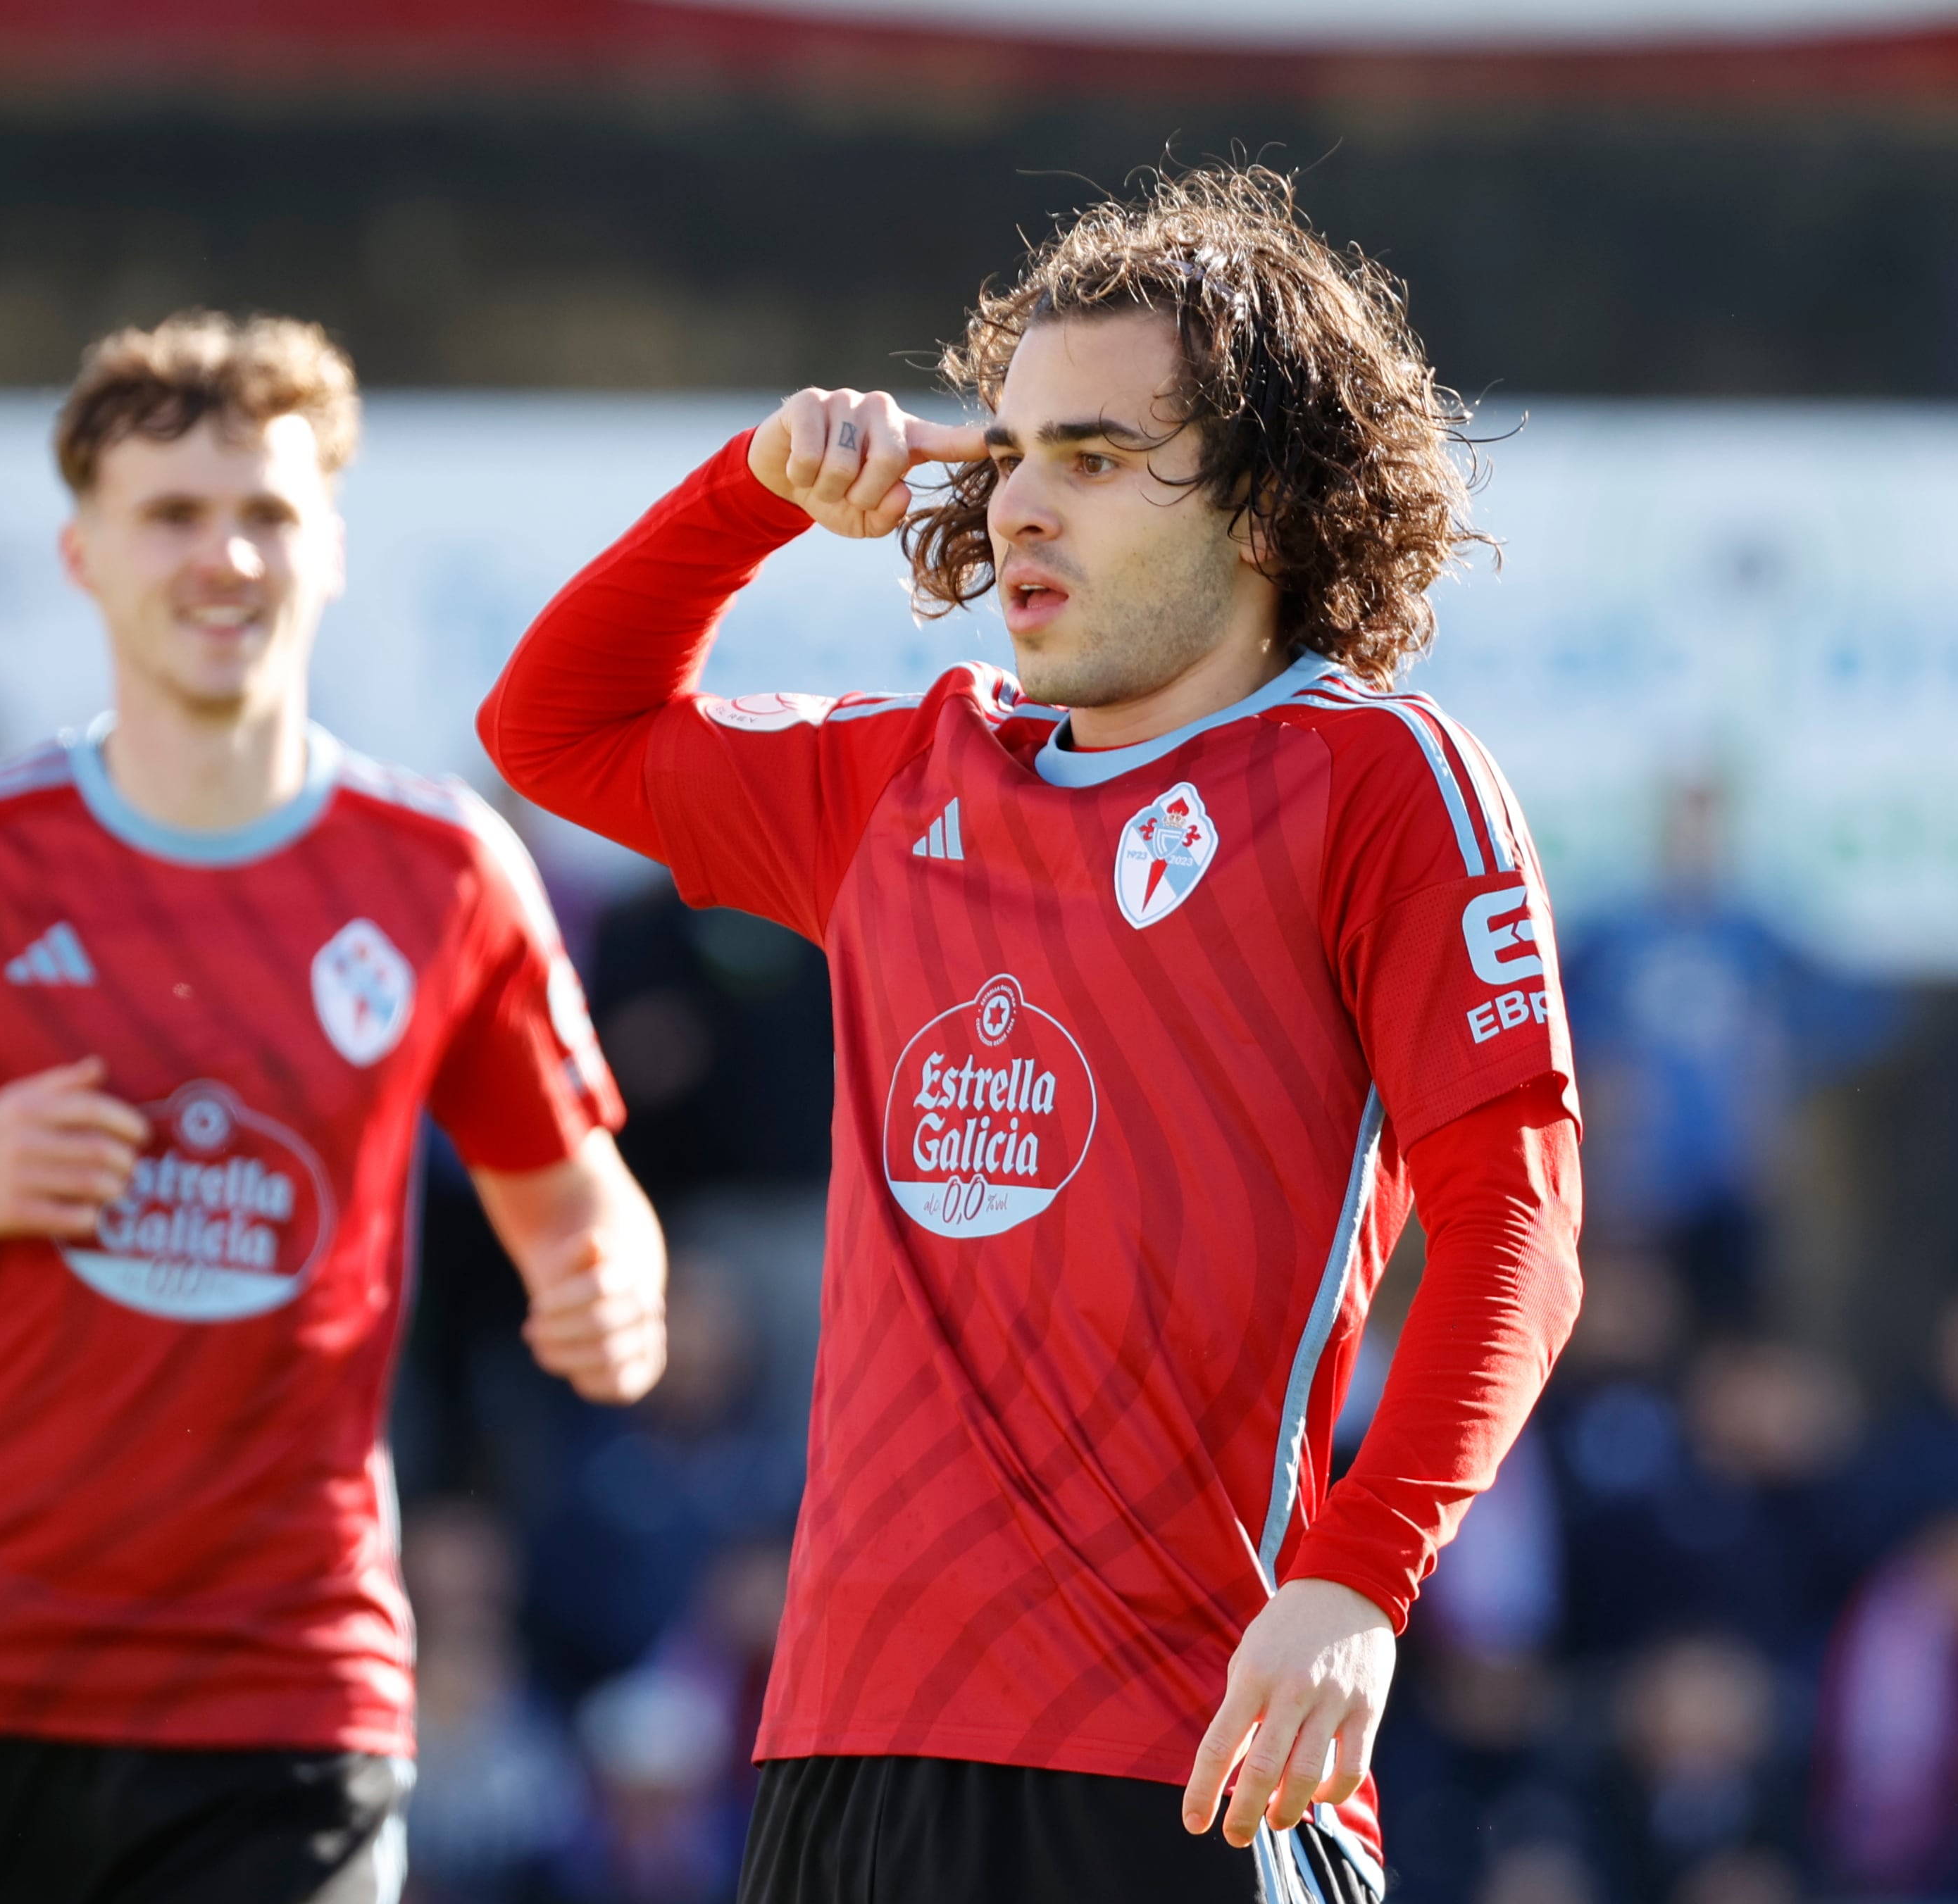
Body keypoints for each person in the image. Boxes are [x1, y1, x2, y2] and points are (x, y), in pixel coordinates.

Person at [480, 163, 1584, 1904]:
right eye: (1006, 457)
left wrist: (1359, 1581)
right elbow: (553, 726)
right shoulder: (902, 773)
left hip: (1183, 1752)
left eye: (1093, 457)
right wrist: (746, 498)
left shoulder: (1381, 781)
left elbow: (1517, 1231)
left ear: (1269, 508)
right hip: (842, 1748)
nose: (1017, 511)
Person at [0, 308, 665, 1904]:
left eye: (266, 512)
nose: (224, 557)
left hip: (286, 1693)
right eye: (173, 515)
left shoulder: (445, 872)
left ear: (328, 544)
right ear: (82, 556)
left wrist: (612, 1278)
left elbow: (575, 1195)